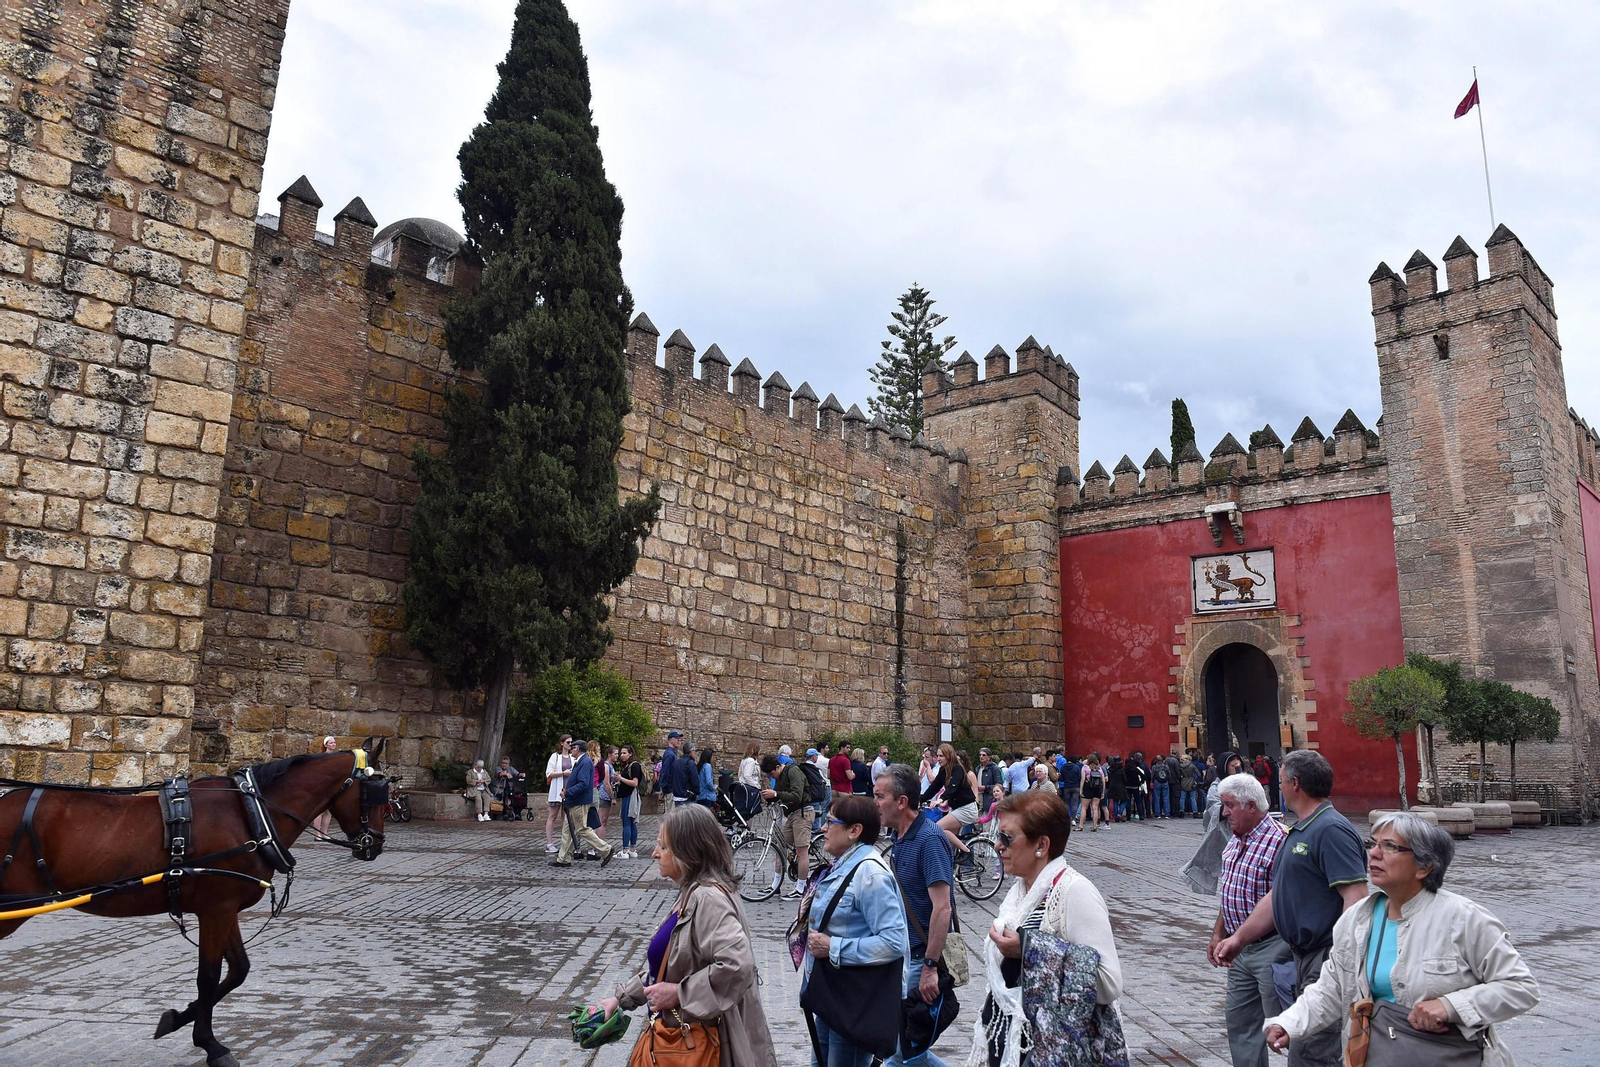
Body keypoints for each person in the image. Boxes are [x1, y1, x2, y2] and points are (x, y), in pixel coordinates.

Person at [1266, 812, 1539, 1067]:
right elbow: (1330, 989)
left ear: (1424, 867)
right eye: (1373, 844)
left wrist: (1451, 1006)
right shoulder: (1356, 921)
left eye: (1390, 847)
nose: (1373, 853)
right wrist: (1289, 1023)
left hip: (1448, 1056)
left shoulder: (1463, 919)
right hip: (1376, 1055)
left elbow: (1520, 987)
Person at [595, 803, 778, 1067]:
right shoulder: (693, 892)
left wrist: (680, 994)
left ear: (688, 852)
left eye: (664, 847)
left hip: (706, 1045)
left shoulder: (708, 898)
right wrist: (620, 999)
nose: (655, 854)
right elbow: (670, 967)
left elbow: (738, 966)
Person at [1218, 750, 1366, 1067]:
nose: (1279, 787)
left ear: (1295, 784)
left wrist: (1340, 963)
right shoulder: (1301, 829)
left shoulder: (1330, 830)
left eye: (1282, 780)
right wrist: (1238, 938)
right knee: (1303, 1047)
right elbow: (1276, 898)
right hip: (1303, 957)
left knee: (1312, 1053)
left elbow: (1356, 899)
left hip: (1323, 957)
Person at [975, 789, 1123, 1066]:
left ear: (1041, 844)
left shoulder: (1074, 892)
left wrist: (1032, 950)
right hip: (1015, 1038)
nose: (997, 845)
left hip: (1057, 1048)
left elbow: (1109, 984)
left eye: (1007, 836)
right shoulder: (1020, 893)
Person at [802, 793, 910, 1067]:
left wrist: (833, 947)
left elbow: (894, 942)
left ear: (854, 831)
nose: (823, 829)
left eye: (829, 822)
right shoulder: (845, 864)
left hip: (854, 999)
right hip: (834, 993)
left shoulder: (870, 874)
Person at [1202, 774, 1292, 1067]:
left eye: (1229, 805)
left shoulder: (1281, 841)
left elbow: (1282, 902)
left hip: (1273, 947)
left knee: (1288, 1025)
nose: (1224, 813)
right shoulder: (1235, 839)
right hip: (1240, 951)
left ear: (1251, 806)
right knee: (1241, 1023)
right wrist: (1219, 934)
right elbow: (1230, 892)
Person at [874, 763, 955, 1067]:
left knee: (900, 1052)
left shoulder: (929, 839)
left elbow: (942, 907)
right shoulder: (901, 838)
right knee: (906, 1050)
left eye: (880, 796)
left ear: (902, 802)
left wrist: (930, 967)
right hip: (904, 957)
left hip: (921, 959)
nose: (875, 804)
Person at [760, 753, 812, 899]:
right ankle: (775, 885)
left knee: (801, 852)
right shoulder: (780, 776)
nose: (772, 777)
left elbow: (796, 796)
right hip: (791, 815)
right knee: (779, 848)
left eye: (772, 773)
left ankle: (801, 889)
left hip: (803, 813)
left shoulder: (793, 771)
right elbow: (780, 795)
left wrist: (775, 793)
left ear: (778, 766)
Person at [555, 739, 614, 868]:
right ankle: (563, 858)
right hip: (575, 801)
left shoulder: (585, 762)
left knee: (581, 829)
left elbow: (583, 783)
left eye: (573, 747)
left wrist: (568, 792)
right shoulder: (581, 761)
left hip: (579, 801)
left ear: (578, 749)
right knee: (567, 830)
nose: (571, 749)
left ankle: (606, 849)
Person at [929, 745, 979, 855]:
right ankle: (950, 869)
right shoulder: (944, 770)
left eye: (941, 756)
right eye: (937, 756)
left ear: (949, 756)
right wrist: (918, 799)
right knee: (947, 846)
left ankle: (966, 850)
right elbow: (934, 787)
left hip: (967, 809)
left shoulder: (957, 769)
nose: (938, 759)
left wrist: (940, 800)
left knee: (938, 827)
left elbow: (952, 787)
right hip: (956, 809)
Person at [544, 735, 574, 854]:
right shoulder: (555, 756)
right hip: (557, 790)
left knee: (566, 818)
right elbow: (549, 773)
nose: (570, 744)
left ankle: (565, 843)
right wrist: (563, 773)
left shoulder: (573, 757)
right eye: (568, 742)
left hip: (569, 790)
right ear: (561, 743)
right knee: (553, 815)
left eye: (571, 742)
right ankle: (549, 843)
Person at [615, 744, 644, 859]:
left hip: (630, 796)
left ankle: (626, 849)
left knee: (627, 822)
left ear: (631, 754)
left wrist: (621, 779)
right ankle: (632, 848)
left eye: (624, 753)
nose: (622, 755)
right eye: (621, 753)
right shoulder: (628, 766)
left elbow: (635, 782)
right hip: (628, 794)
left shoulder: (634, 765)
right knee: (631, 822)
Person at [311, 735, 338, 835]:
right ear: (326, 745)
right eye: (331, 743)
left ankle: (324, 833)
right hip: (323, 785)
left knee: (328, 811)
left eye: (334, 742)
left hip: (332, 786)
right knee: (320, 811)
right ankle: (317, 834)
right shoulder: (322, 757)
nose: (333, 744)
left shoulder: (336, 757)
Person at [1077, 753, 1105, 832]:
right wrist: (1102, 791)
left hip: (1087, 788)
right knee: (1095, 808)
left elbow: (1082, 779)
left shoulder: (1085, 767)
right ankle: (1095, 826)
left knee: (1084, 808)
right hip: (1097, 789)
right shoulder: (1099, 768)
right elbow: (1103, 781)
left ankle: (1081, 826)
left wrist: (1081, 790)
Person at [976, 749, 1003, 814]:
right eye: (980, 755)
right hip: (979, 800)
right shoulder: (977, 768)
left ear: (989, 757)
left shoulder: (994, 769)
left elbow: (999, 785)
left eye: (983, 755)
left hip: (989, 800)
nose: (981, 757)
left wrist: (985, 787)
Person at [658, 730, 683, 798]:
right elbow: (665, 771)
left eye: (679, 739)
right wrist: (663, 788)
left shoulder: (672, 753)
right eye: (677, 739)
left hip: (671, 788)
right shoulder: (670, 754)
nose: (679, 741)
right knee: (670, 808)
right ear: (671, 740)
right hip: (669, 789)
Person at [1059, 753, 1082, 824]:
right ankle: (1073, 819)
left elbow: (1061, 778)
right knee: (1075, 803)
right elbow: (1080, 777)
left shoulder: (1063, 767)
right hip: (1076, 787)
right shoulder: (1076, 767)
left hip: (1067, 787)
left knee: (1067, 803)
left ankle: (1068, 818)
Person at [1149, 748, 1172, 820]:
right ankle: (1167, 814)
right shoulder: (1166, 766)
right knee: (1166, 798)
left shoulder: (1154, 767)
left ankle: (1158, 814)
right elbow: (1169, 775)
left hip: (1157, 782)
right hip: (1165, 782)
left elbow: (1152, 776)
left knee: (1156, 798)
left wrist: (1152, 780)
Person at [1106, 756, 1127, 822]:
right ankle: (1119, 814)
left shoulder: (1110, 770)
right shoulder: (1121, 770)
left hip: (1112, 787)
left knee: (1115, 801)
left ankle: (1115, 815)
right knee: (1124, 801)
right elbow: (1125, 780)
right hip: (1120, 787)